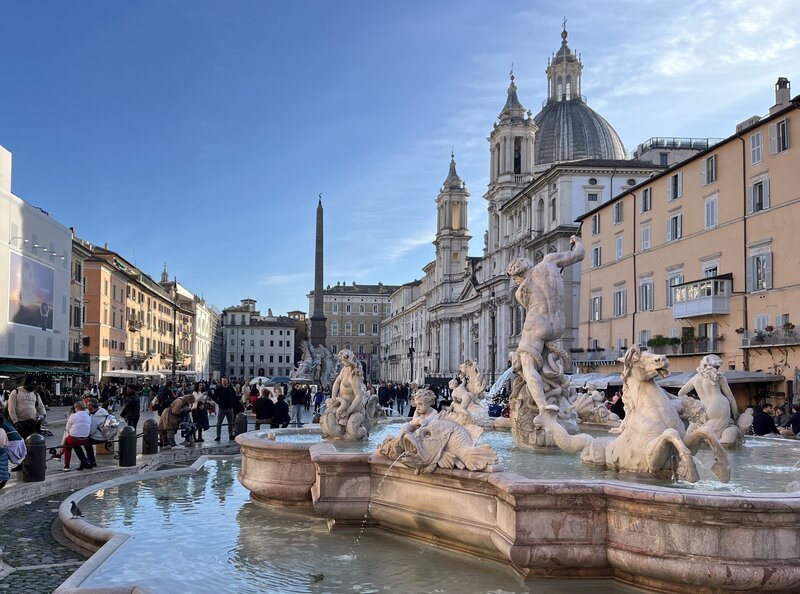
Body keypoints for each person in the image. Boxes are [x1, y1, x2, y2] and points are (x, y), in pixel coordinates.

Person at [506, 235, 584, 422]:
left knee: (527, 364)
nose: (515, 282)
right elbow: (579, 254)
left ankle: (543, 409)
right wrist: (577, 241)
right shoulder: (550, 262)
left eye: (515, 278)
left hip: (538, 324)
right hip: (558, 325)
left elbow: (531, 304)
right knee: (542, 359)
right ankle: (552, 390)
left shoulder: (520, 291)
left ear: (519, 275)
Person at [8, 375, 46, 440]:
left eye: (34, 385)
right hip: (20, 423)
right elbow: (11, 409)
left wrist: (42, 416)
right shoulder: (16, 392)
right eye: (32, 384)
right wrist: (15, 422)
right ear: (26, 384)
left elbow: (41, 407)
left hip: (33, 424)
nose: (33, 387)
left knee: (32, 443)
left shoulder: (35, 394)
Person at [61, 401, 92, 471]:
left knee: (67, 444)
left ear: (77, 408)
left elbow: (67, 429)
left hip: (74, 439)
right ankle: (84, 461)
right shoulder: (88, 416)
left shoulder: (73, 416)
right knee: (76, 444)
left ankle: (66, 465)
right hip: (85, 439)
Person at [84, 398, 112, 469]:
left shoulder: (95, 417)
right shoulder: (104, 412)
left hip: (100, 438)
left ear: (91, 406)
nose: (87, 407)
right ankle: (91, 461)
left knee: (86, 442)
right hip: (107, 436)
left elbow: (91, 431)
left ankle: (91, 462)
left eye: (88, 406)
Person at [213, 377, 237, 442]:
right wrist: (219, 402)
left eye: (225, 380)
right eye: (222, 381)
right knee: (219, 423)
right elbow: (214, 396)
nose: (223, 382)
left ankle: (230, 435)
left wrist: (233, 403)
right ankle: (218, 436)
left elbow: (235, 397)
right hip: (222, 408)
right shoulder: (219, 389)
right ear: (221, 382)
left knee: (230, 423)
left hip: (230, 408)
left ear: (227, 381)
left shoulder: (230, 388)